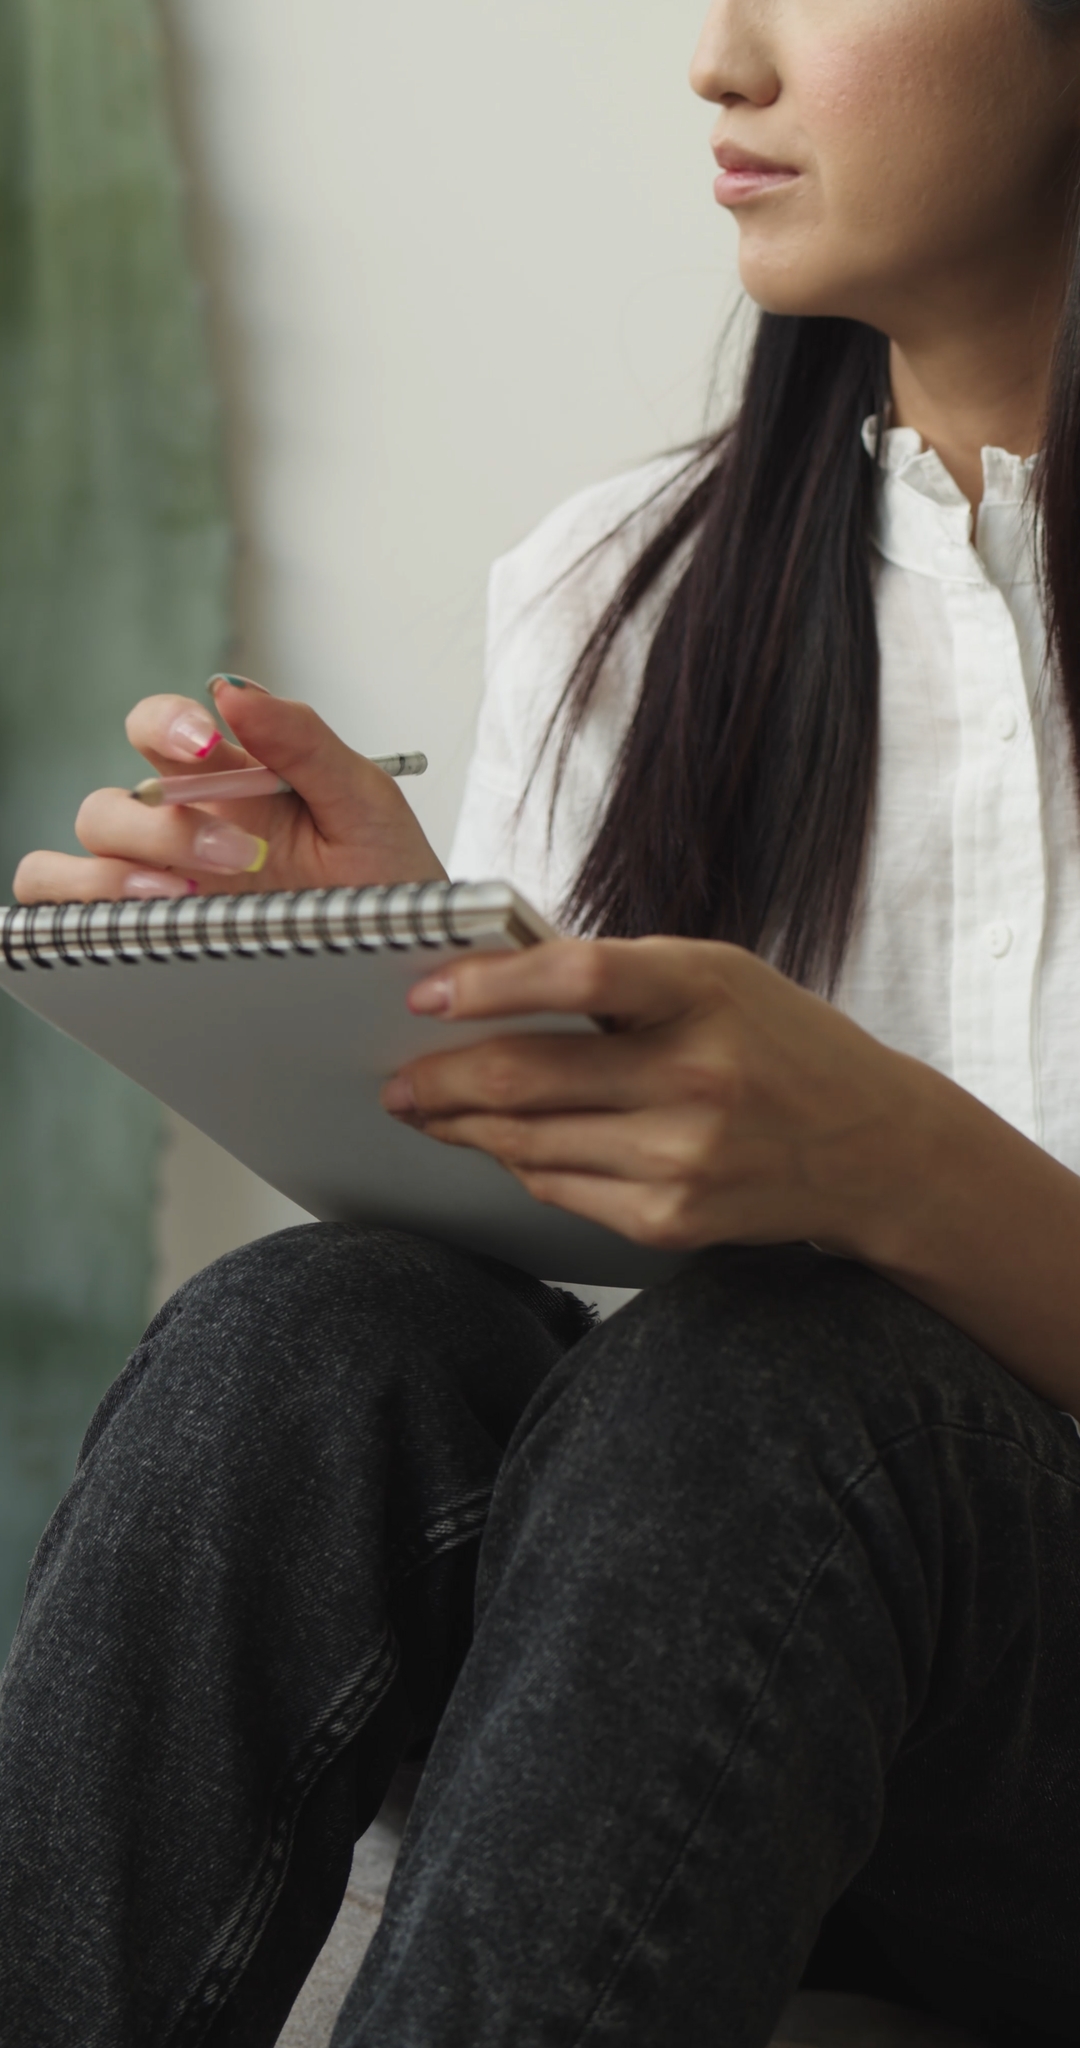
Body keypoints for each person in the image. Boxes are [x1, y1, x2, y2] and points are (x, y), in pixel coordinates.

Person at [5, 0, 1080, 2041]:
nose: (723, 60)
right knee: (303, 1326)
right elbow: (572, 1368)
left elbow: (758, 1416)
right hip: (739, 1652)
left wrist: (899, 1169)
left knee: (784, 1373)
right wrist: (410, 1007)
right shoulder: (622, 594)